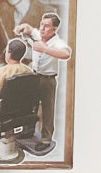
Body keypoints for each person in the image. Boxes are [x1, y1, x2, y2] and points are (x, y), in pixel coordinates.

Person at [15, 12, 71, 144]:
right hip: (34, 77)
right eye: (41, 24)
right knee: (30, 106)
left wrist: (44, 49)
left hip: (47, 80)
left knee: (47, 110)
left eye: (46, 26)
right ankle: (28, 132)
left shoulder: (57, 43)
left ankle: (46, 138)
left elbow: (66, 54)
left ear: (54, 29)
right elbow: (29, 28)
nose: (42, 28)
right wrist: (22, 27)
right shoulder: (38, 35)